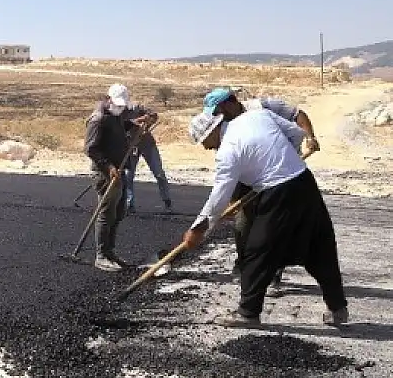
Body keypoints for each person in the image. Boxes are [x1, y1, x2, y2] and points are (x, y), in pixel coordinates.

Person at [182, 109, 348, 328]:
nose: (205, 146)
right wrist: (281, 160)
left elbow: (219, 196)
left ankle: (248, 313)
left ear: (212, 131)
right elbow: (297, 134)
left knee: (257, 251)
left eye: (204, 141)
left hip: (278, 194)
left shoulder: (228, 151)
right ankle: (338, 309)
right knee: (319, 247)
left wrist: (198, 230)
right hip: (304, 182)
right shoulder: (257, 116)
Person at [203, 87, 320, 287]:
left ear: (229, 104)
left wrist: (310, 137)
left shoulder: (263, 107)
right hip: (247, 173)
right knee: (243, 221)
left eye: (217, 111)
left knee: (276, 224)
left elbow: (298, 116)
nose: (215, 117)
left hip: (279, 174)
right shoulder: (223, 125)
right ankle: (243, 265)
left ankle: (273, 274)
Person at [84, 87, 139, 271]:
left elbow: (118, 129)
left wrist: (135, 123)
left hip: (119, 170)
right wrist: (109, 167)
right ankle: (101, 255)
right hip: (105, 173)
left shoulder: (114, 115)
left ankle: (110, 251)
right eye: (117, 105)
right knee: (107, 214)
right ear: (108, 99)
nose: (120, 108)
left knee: (119, 211)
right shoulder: (97, 119)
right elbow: (91, 149)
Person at [108, 84, 173, 214]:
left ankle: (167, 201)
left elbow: (154, 116)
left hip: (147, 144)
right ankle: (129, 204)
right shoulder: (116, 113)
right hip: (131, 147)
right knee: (128, 176)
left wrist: (148, 120)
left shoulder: (136, 107)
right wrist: (137, 120)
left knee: (159, 173)